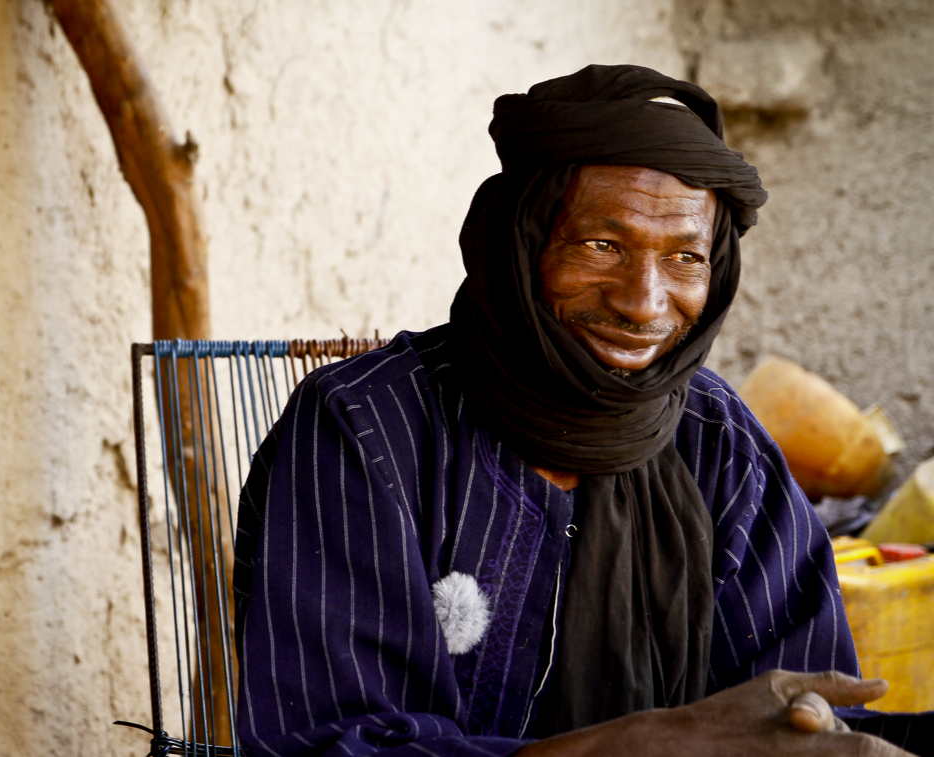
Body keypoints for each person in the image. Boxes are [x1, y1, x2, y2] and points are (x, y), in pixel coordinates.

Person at [231, 65, 924, 756]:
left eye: (684, 256)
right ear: (519, 241)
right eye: (603, 245)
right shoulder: (366, 428)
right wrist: (647, 744)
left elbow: (798, 715)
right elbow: (327, 743)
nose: (643, 302)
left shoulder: (720, 446)